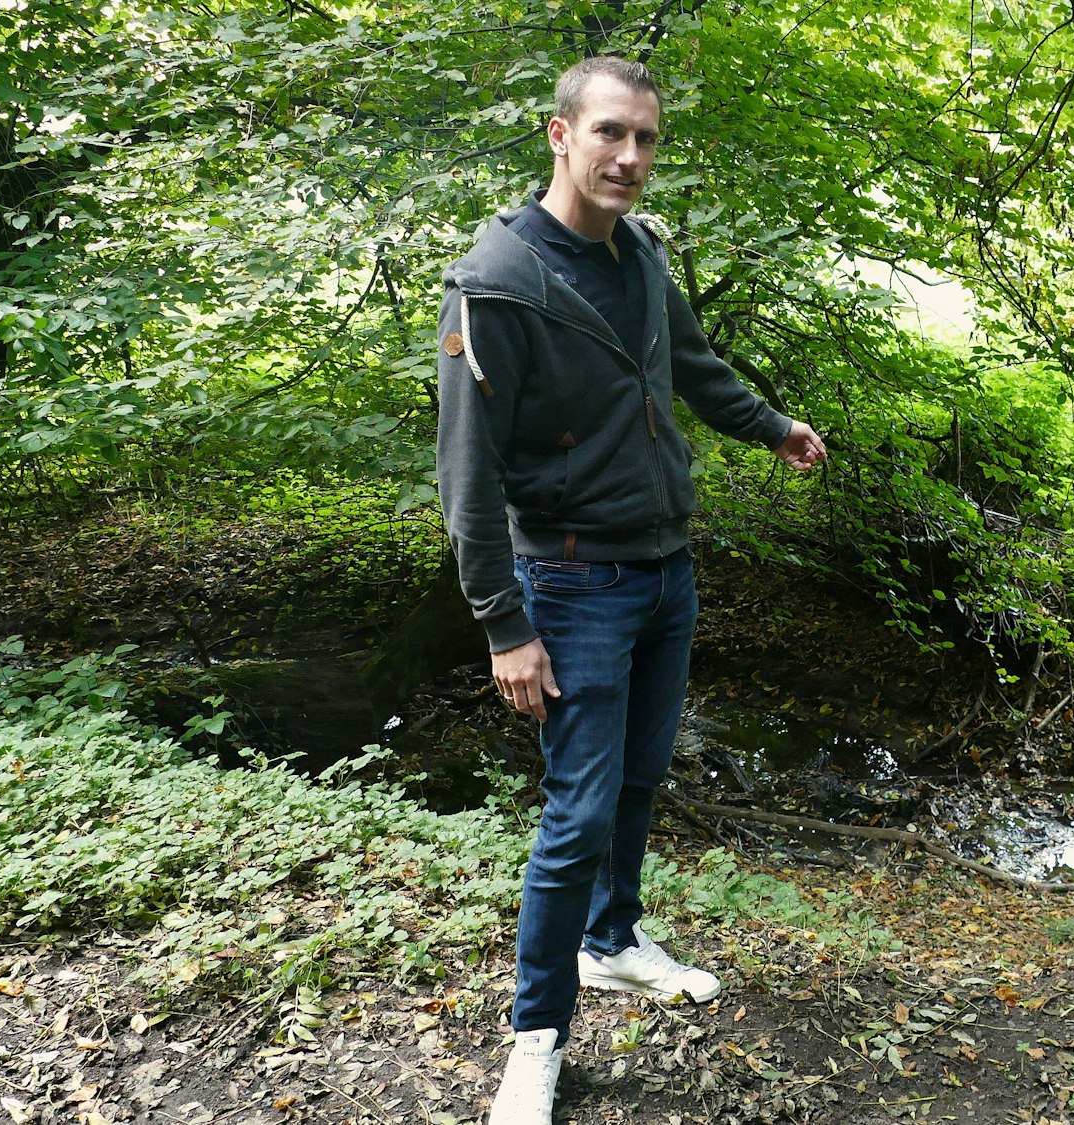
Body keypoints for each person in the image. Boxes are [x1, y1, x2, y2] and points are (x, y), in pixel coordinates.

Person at [434, 57, 828, 1125]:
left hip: (663, 568)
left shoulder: (641, 253)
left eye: (646, 139)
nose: (630, 159)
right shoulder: (499, 280)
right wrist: (502, 624)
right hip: (567, 581)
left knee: (642, 777)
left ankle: (611, 944)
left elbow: (692, 365)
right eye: (610, 133)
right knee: (578, 812)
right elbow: (465, 474)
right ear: (557, 135)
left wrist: (768, 425)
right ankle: (536, 1038)